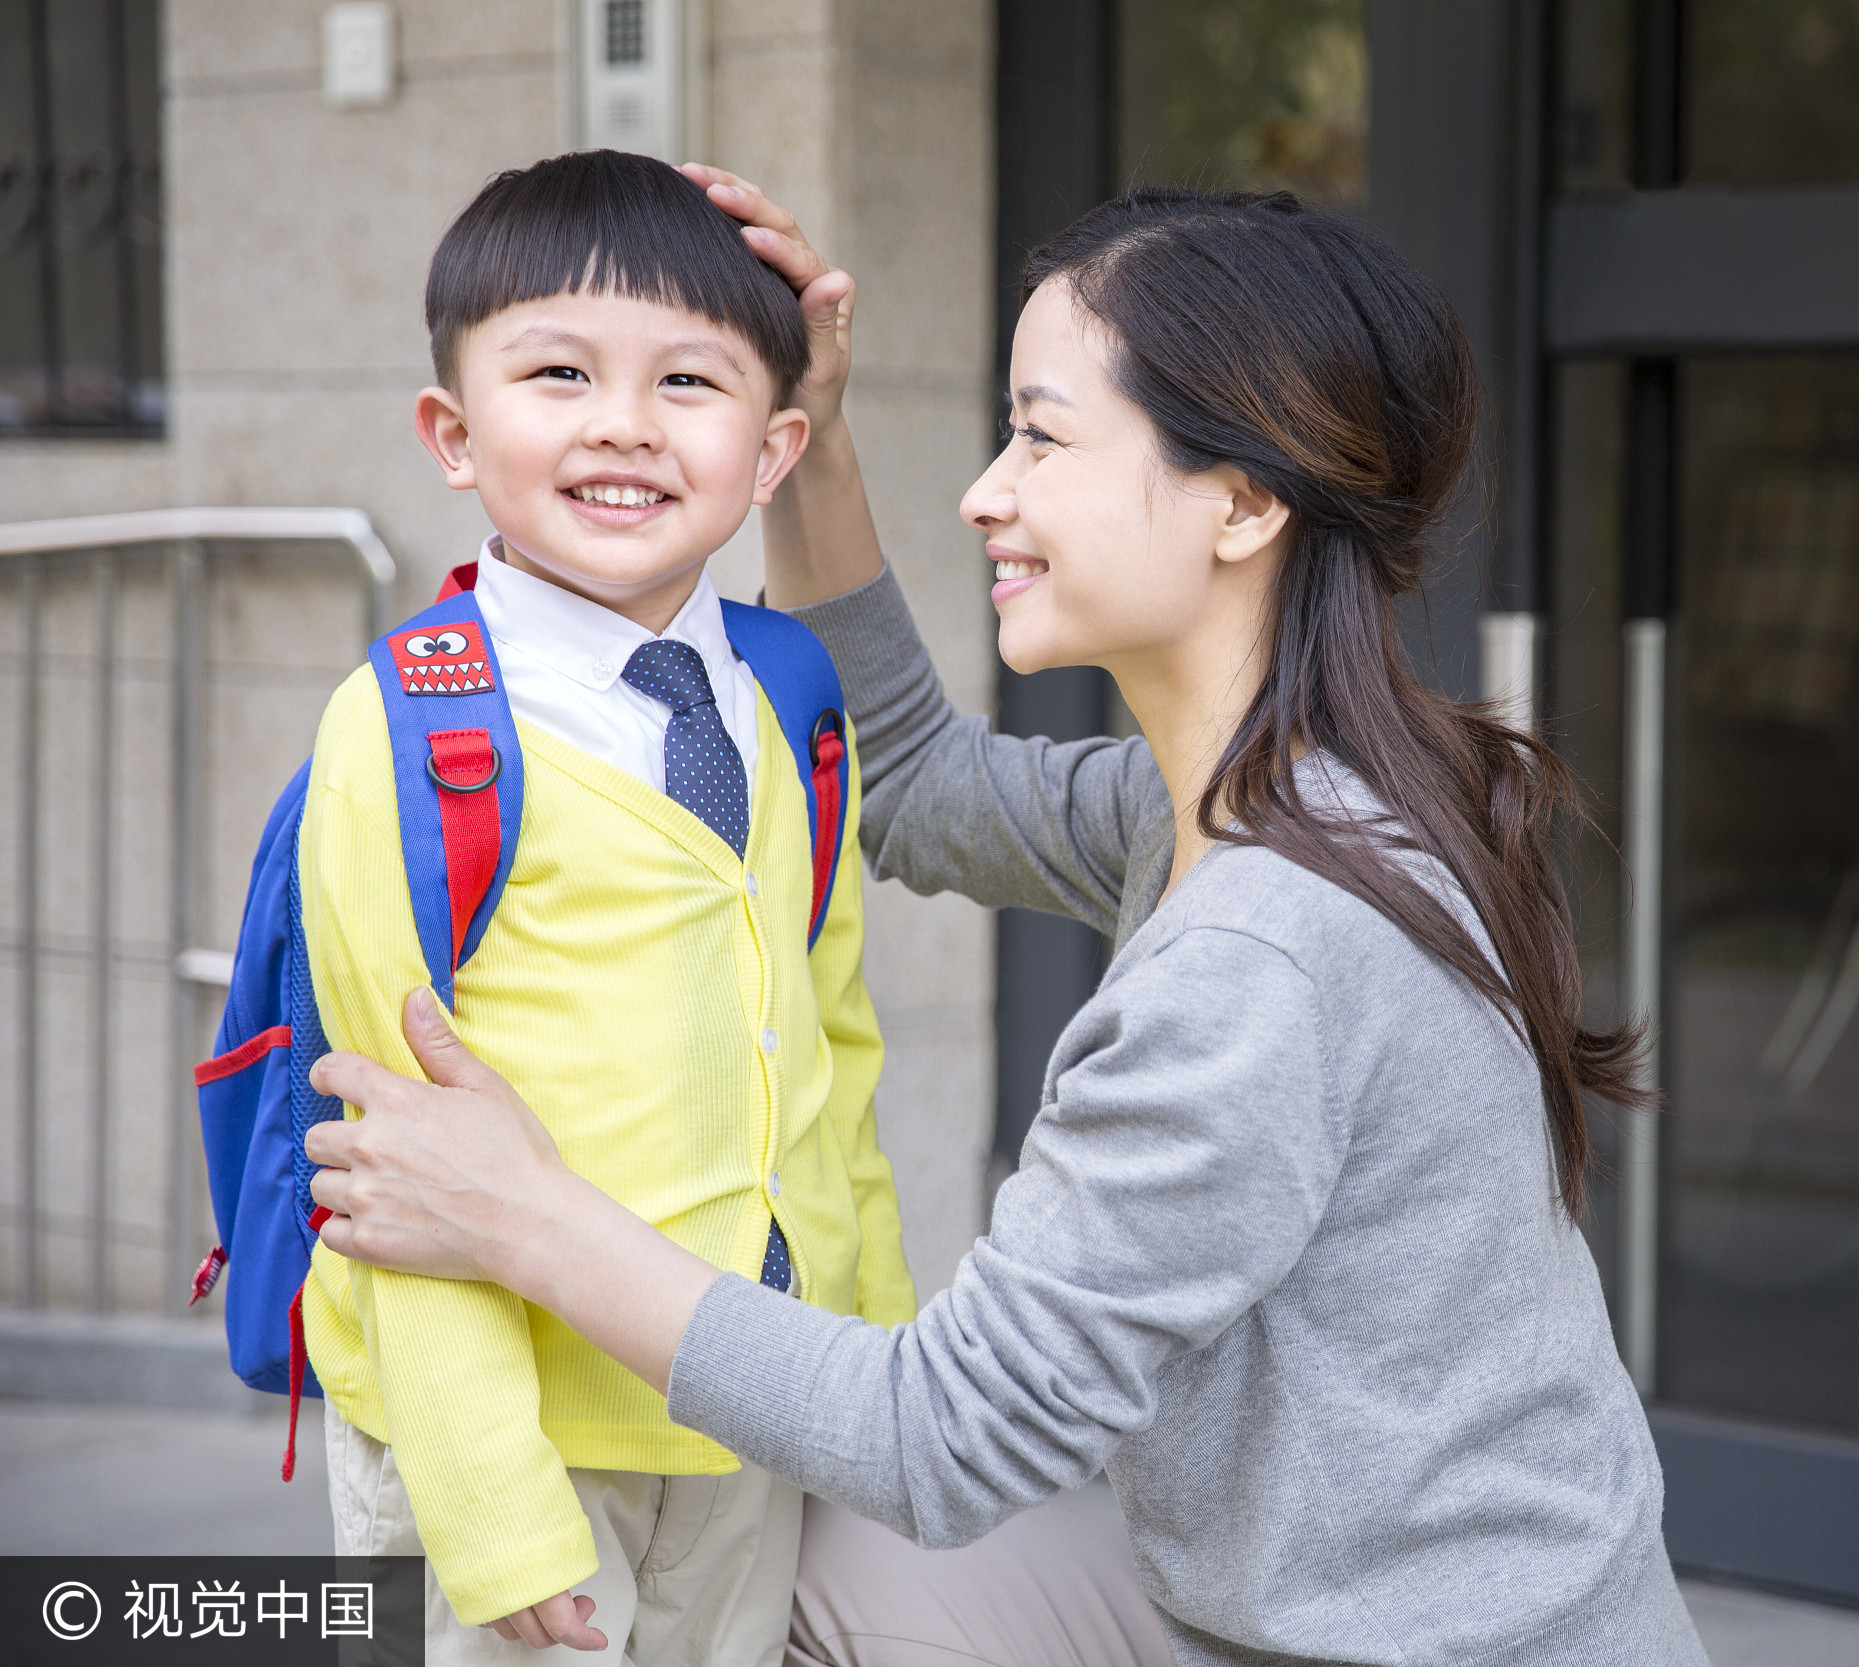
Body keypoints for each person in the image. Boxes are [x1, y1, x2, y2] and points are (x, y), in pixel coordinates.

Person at [308, 175, 1717, 1667]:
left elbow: (941, 1439)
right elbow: (905, 781)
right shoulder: (1284, 798)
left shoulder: (1266, 952)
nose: (986, 489)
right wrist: (817, 431)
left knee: (774, 1540)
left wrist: (524, 1217)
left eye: (1041, 436)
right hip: (1316, 1602)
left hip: (1406, 1647)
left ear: (1242, 500)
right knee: (771, 1546)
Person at [295, 150, 916, 1664]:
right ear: (453, 430)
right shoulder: (409, 730)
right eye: (558, 370)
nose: (623, 424)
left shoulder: (784, 695)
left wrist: (876, 1385)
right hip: (510, 1444)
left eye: (688, 384)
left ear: (774, 454)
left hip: (748, 1410)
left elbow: (833, 1061)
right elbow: (398, 1157)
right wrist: (490, 1504)